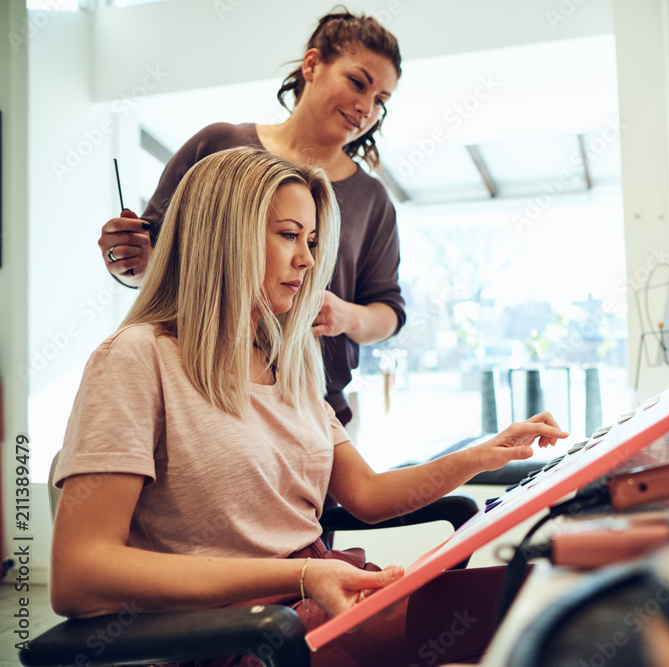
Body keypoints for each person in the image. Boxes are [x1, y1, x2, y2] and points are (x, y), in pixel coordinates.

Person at [52, 147, 567, 666]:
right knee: (528, 627)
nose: (308, 259)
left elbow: (365, 494)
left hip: (314, 596)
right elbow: (79, 577)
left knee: (537, 597)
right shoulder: (138, 358)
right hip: (240, 633)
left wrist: (482, 456)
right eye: (289, 235)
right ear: (224, 235)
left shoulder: (287, 362)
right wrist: (300, 575)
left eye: (313, 241)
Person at [97, 8, 405, 425]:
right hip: (201, 386)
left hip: (313, 406)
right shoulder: (220, 146)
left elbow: (387, 310)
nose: (366, 108)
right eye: (357, 83)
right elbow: (150, 264)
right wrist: (125, 260)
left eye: (380, 101)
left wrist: (345, 315)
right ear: (313, 65)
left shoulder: (372, 199)